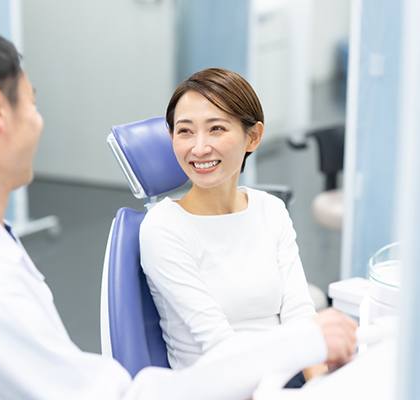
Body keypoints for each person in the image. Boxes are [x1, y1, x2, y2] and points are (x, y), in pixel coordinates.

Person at [0, 23, 356, 399]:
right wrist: (298, 346)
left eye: (217, 129)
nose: (39, 121)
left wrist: (307, 354)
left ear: (252, 137)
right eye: (31, 102)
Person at [139, 68, 326, 384]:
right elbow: (219, 346)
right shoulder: (163, 227)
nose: (198, 148)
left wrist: (321, 385)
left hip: (281, 379)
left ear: (252, 136)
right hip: (217, 386)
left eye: (216, 129)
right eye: (185, 131)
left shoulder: (270, 210)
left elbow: (298, 313)